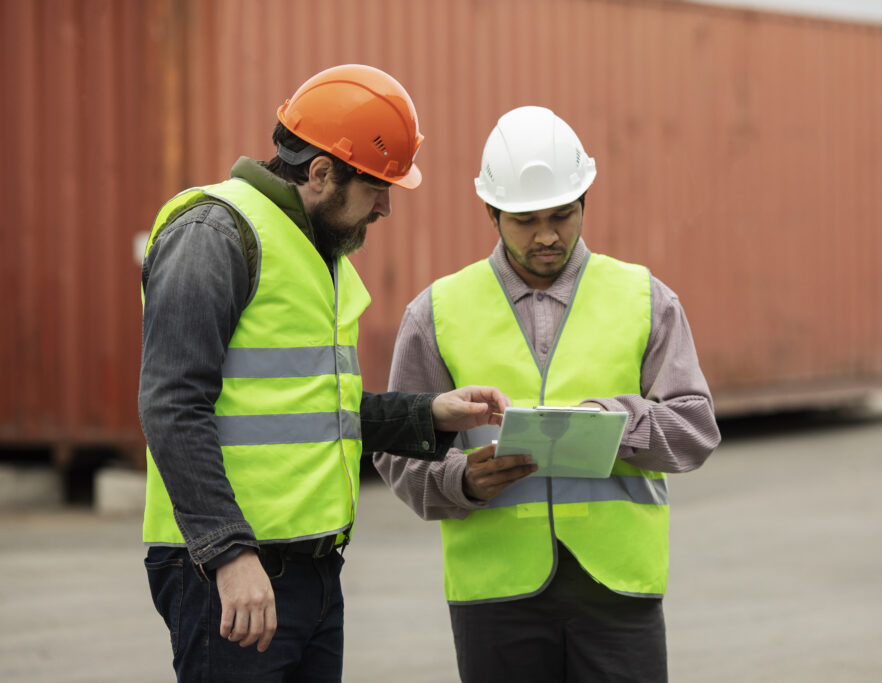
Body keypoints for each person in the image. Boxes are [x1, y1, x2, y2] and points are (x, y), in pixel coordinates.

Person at [138, 64, 510, 683]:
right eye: (377, 188)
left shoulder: (312, 249)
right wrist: (229, 554)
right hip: (232, 575)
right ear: (320, 173)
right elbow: (172, 405)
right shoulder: (215, 233)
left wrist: (428, 413)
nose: (387, 207)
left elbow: (308, 410)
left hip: (312, 572)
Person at [374, 105, 722, 682]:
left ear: (585, 202)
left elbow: (696, 429)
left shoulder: (644, 299)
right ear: (491, 213)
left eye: (562, 216)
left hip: (617, 592)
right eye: (524, 219)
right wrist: (458, 481)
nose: (546, 236)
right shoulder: (437, 312)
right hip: (494, 593)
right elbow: (396, 449)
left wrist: (614, 422)